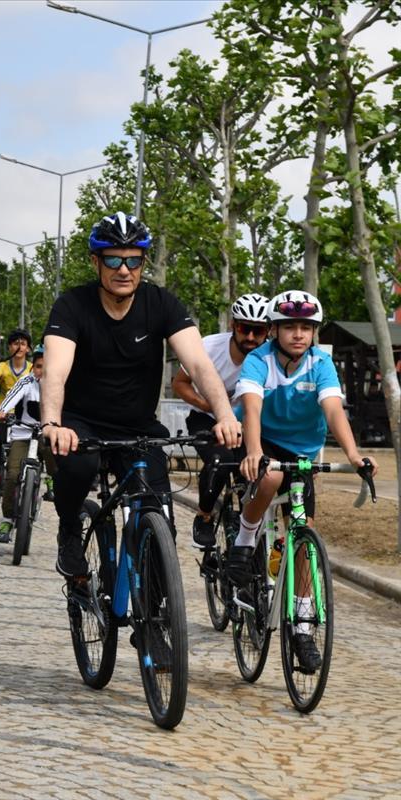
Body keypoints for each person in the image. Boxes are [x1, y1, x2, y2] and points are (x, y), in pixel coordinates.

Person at [41, 212, 241, 589]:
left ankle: (154, 615)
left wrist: (225, 415)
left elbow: (198, 363)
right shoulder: (72, 305)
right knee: (78, 467)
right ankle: (69, 528)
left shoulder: (162, 304)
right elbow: (56, 371)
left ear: (143, 262)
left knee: (158, 516)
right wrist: (53, 423)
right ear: (95, 261)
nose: (123, 269)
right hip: (80, 422)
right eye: (113, 259)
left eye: (133, 259)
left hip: (138, 426)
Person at [223, 291, 373, 672]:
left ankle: (303, 627)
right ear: (274, 330)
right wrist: (253, 450)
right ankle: (243, 541)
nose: (298, 334)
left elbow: (333, 410)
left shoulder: (321, 363)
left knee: (304, 535)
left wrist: (354, 456)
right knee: (270, 475)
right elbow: (252, 408)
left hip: (303, 450)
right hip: (265, 439)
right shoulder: (259, 360)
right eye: (290, 326)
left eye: (306, 327)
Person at [171, 292, 270, 548]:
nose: (250, 337)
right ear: (232, 325)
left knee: (259, 471)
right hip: (207, 418)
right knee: (221, 461)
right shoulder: (209, 347)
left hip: (249, 423)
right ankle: (204, 515)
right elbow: (179, 384)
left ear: (268, 331)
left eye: (258, 331)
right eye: (243, 328)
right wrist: (209, 404)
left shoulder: (272, 356)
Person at [0, 345, 56, 544]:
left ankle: (56, 490)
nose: (42, 371)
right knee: (12, 475)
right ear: (33, 367)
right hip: (23, 433)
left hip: (49, 434)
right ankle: (7, 520)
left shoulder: (60, 384)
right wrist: (1, 411)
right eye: (38, 366)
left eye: (46, 367)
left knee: (61, 470)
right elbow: (10, 398)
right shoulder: (26, 382)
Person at [0, 329, 33, 497]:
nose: (19, 347)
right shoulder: (0, 367)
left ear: (28, 348)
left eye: (23, 343)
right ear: (9, 347)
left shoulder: (34, 369)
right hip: (3, 413)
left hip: (25, 414)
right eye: (15, 343)